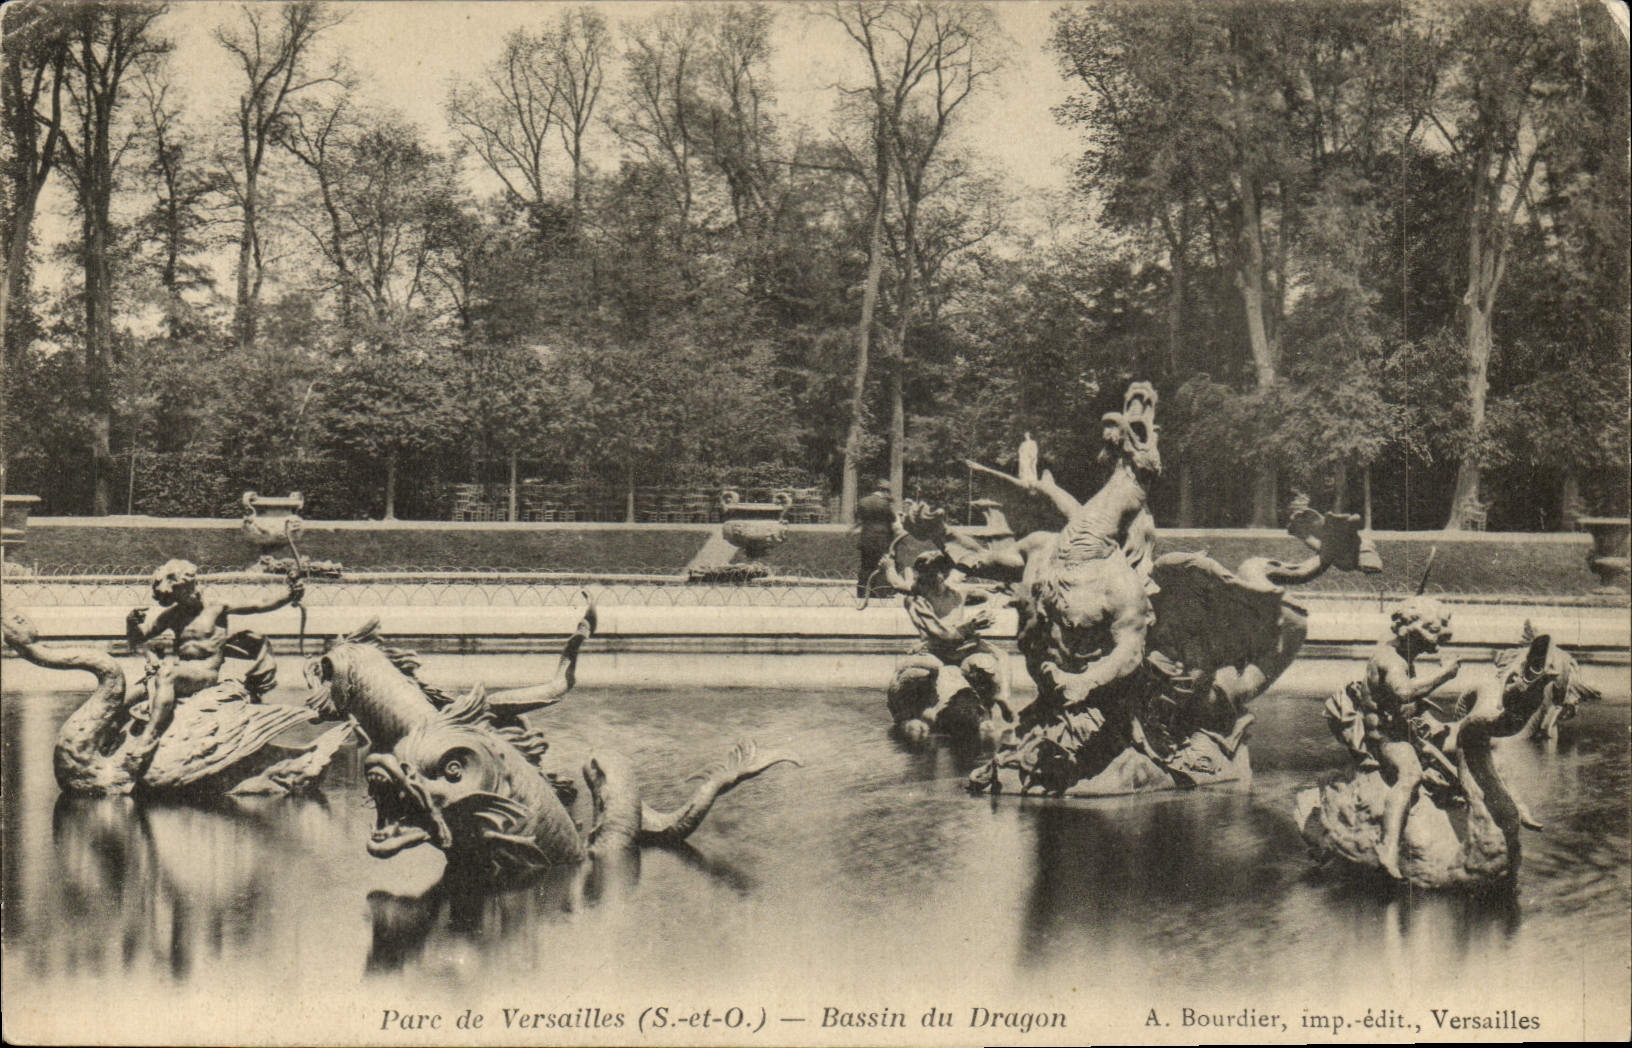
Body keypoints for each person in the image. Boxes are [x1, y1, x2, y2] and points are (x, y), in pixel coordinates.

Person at [1344, 596, 1462, 880]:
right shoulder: (1391, 660)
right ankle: (1388, 847)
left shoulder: (1400, 651)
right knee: (1410, 774)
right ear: (1412, 631)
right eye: (1432, 631)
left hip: (1403, 728)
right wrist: (1445, 674)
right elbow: (1404, 692)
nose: (1439, 639)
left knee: (1458, 748)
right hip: (1384, 737)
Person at [124, 559, 304, 722]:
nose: (180, 600)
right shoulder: (174, 615)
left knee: (166, 675)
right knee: (126, 697)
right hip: (179, 672)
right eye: (175, 597)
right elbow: (139, 638)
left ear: (189, 585)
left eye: (180, 593)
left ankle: (151, 734)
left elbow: (259, 604)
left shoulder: (216, 607)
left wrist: (289, 594)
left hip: (204, 674)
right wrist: (131, 622)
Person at [880, 547, 1010, 727]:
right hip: (961, 644)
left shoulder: (921, 595)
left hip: (942, 646)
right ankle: (1002, 694)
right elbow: (980, 597)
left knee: (998, 657)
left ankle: (998, 697)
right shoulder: (952, 590)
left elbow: (896, 584)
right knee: (1002, 656)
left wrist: (888, 567)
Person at [854, 480, 896, 598]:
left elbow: (858, 517)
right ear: (884, 490)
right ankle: (879, 592)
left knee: (865, 566)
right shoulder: (884, 504)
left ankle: (862, 591)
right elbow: (892, 519)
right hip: (881, 540)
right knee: (881, 565)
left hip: (866, 539)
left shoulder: (863, 501)